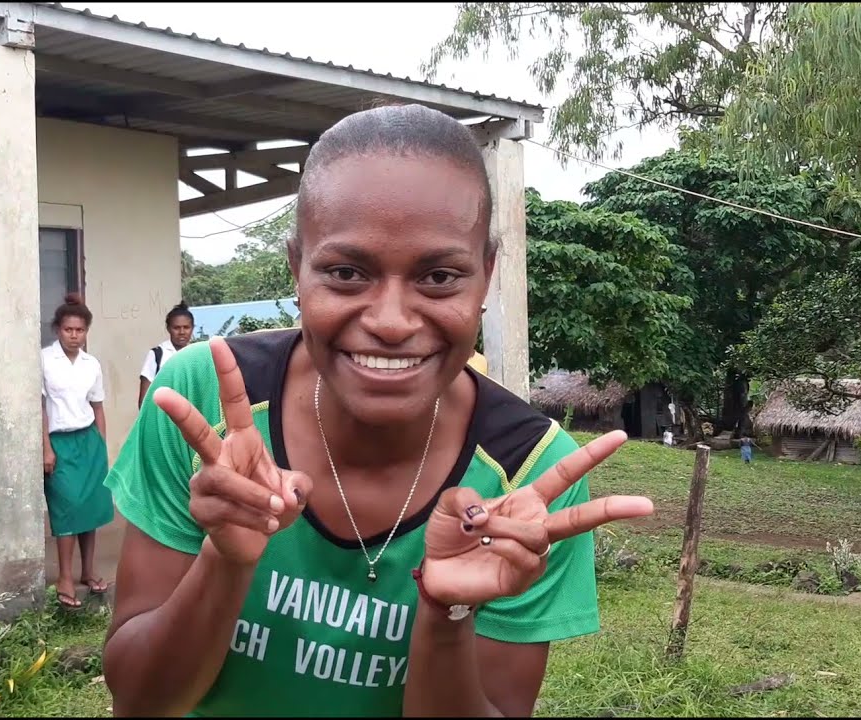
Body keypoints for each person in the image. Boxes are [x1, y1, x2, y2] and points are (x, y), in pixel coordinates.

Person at [100, 104, 655, 717]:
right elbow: (140, 700)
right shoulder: (203, 400)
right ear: (297, 267)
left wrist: (448, 615)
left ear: (487, 275)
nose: (390, 322)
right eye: (345, 273)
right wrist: (224, 560)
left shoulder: (528, 480)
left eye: (440, 276)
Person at [42, 293, 115, 610]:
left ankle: (88, 571)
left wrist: (102, 444)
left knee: (90, 507)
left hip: (89, 442)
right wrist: (45, 447)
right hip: (58, 441)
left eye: (80, 330)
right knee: (67, 508)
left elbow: (97, 406)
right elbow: (39, 407)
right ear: (58, 329)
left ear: (87, 331)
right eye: (68, 330)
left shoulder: (91, 364)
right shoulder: (43, 360)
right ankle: (65, 577)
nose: (74, 335)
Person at [138, 301, 196, 408]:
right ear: (168, 328)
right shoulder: (157, 355)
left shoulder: (197, 354)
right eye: (176, 328)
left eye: (186, 327)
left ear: (192, 328)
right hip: (163, 417)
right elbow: (144, 399)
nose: (182, 332)